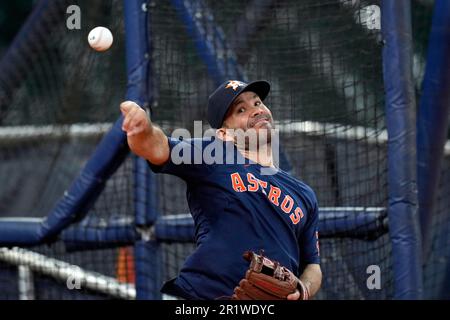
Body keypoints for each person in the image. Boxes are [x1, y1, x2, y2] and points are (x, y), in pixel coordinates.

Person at [120, 80, 322, 300]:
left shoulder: (304, 194)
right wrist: (143, 130)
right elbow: (158, 147)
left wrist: (304, 289)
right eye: (241, 109)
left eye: (258, 102)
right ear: (224, 134)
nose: (257, 110)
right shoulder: (213, 156)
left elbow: (313, 265)